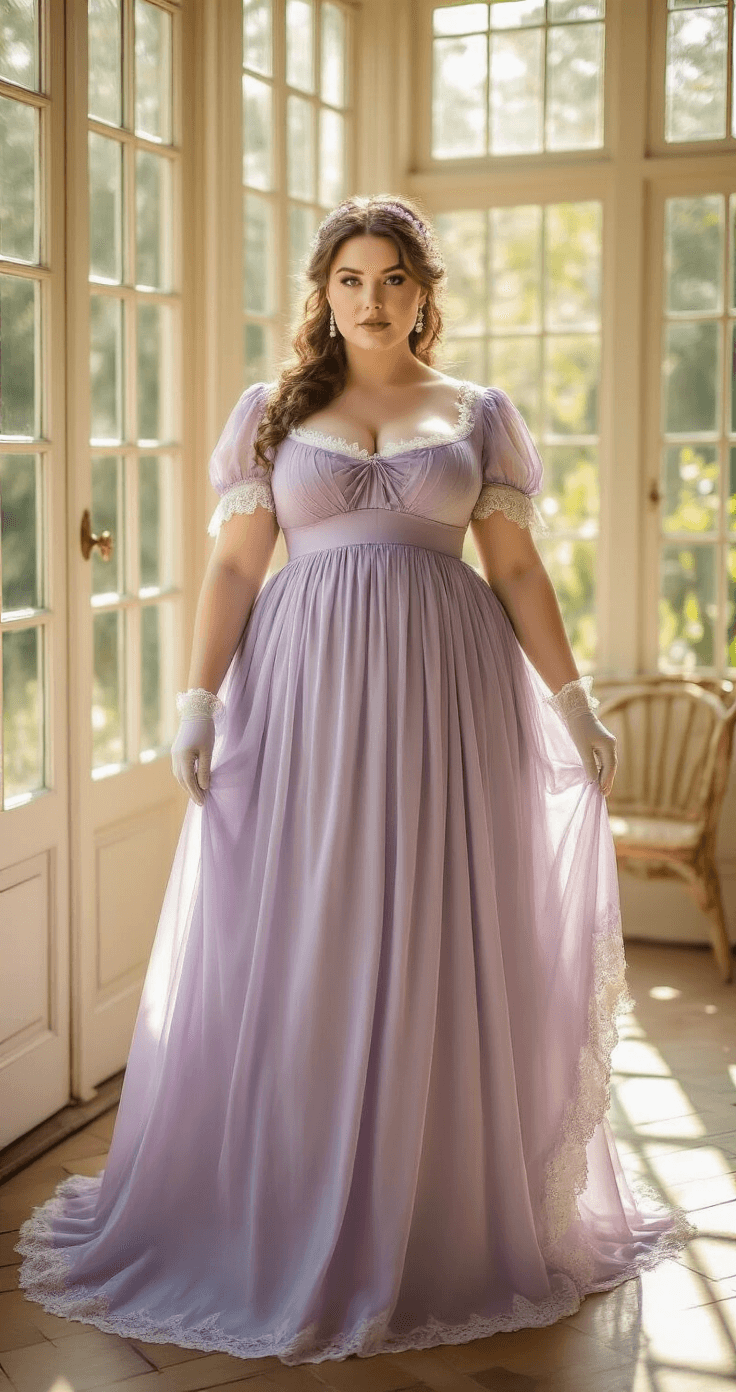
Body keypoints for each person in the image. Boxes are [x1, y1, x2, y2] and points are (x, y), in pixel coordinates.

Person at [15, 194, 692, 1366]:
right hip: (302, 698)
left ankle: (435, 1202)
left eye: (391, 279)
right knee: (307, 928)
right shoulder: (272, 414)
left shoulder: (477, 412)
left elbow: (518, 570)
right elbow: (235, 566)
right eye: (348, 280)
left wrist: (572, 699)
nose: (370, 300)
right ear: (321, 294)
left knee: (436, 926)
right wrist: (197, 697)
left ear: (425, 292)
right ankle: (285, 1197)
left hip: (449, 698)